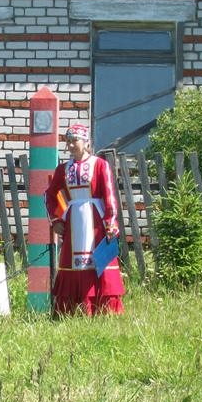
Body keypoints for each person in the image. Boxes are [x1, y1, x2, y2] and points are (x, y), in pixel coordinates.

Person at [44, 122, 125, 317]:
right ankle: (70, 311)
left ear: (85, 141)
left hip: (96, 221)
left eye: (75, 141)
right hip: (74, 222)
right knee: (72, 262)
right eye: (68, 141)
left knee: (98, 262)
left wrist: (111, 221)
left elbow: (109, 194)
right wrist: (56, 220)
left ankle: (103, 310)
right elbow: (49, 194)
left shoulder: (100, 165)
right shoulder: (63, 169)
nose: (71, 145)